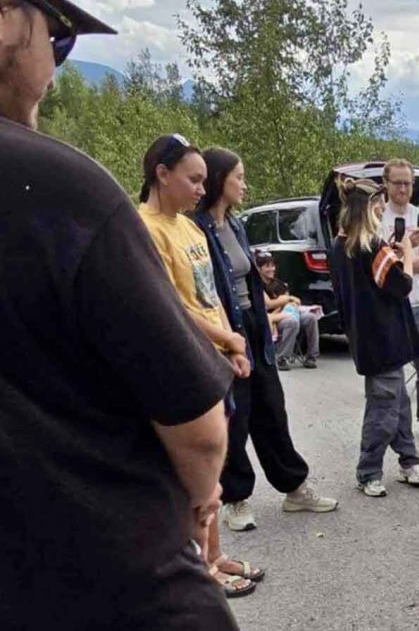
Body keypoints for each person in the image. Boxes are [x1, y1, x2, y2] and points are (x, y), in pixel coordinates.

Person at [0, 0, 238, 627]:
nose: (57, 68)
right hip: (104, 580)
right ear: (5, 3)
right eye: (58, 37)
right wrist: (198, 505)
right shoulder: (60, 191)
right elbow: (198, 429)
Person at [136, 134, 265, 598]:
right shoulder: (145, 229)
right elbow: (168, 305)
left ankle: (214, 552)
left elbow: (212, 296)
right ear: (161, 173)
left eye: (204, 181)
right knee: (192, 472)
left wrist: (234, 344)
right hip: (184, 361)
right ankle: (199, 568)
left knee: (215, 465)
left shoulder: (191, 230)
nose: (200, 189)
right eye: (192, 180)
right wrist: (225, 338)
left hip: (215, 360)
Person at [195, 147, 337, 532]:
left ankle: (294, 488)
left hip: (255, 326)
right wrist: (226, 338)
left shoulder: (235, 224)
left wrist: (267, 321)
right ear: (219, 179)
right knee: (235, 416)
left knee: (272, 408)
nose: (245, 184)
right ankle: (235, 499)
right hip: (226, 329)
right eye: (239, 177)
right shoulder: (197, 229)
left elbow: (250, 281)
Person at [330, 175, 419, 498]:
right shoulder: (372, 247)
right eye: (380, 204)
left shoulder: (339, 245)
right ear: (369, 208)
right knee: (384, 408)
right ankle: (368, 471)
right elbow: (402, 285)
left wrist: (397, 251)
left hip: (366, 338)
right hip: (385, 340)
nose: (383, 209)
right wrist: (408, 253)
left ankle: (409, 460)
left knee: (399, 402)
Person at [380, 158, 419, 442]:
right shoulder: (377, 218)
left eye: (408, 183)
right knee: (391, 365)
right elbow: (375, 264)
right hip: (390, 302)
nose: (403, 189)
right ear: (386, 183)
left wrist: (397, 258)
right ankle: (395, 419)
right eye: (397, 183)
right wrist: (407, 252)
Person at [256, 250, 320, 369]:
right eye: (267, 266)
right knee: (291, 322)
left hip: (286, 312)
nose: (271, 269)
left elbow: (295, 301)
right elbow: (269, 304)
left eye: (272, 266)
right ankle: (282, 358)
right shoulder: (257, 285)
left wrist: (287, 300)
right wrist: (287, 299)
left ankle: (312, 356)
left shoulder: (279, 284)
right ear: (259, 269)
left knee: (311, 318)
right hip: (272, 318)